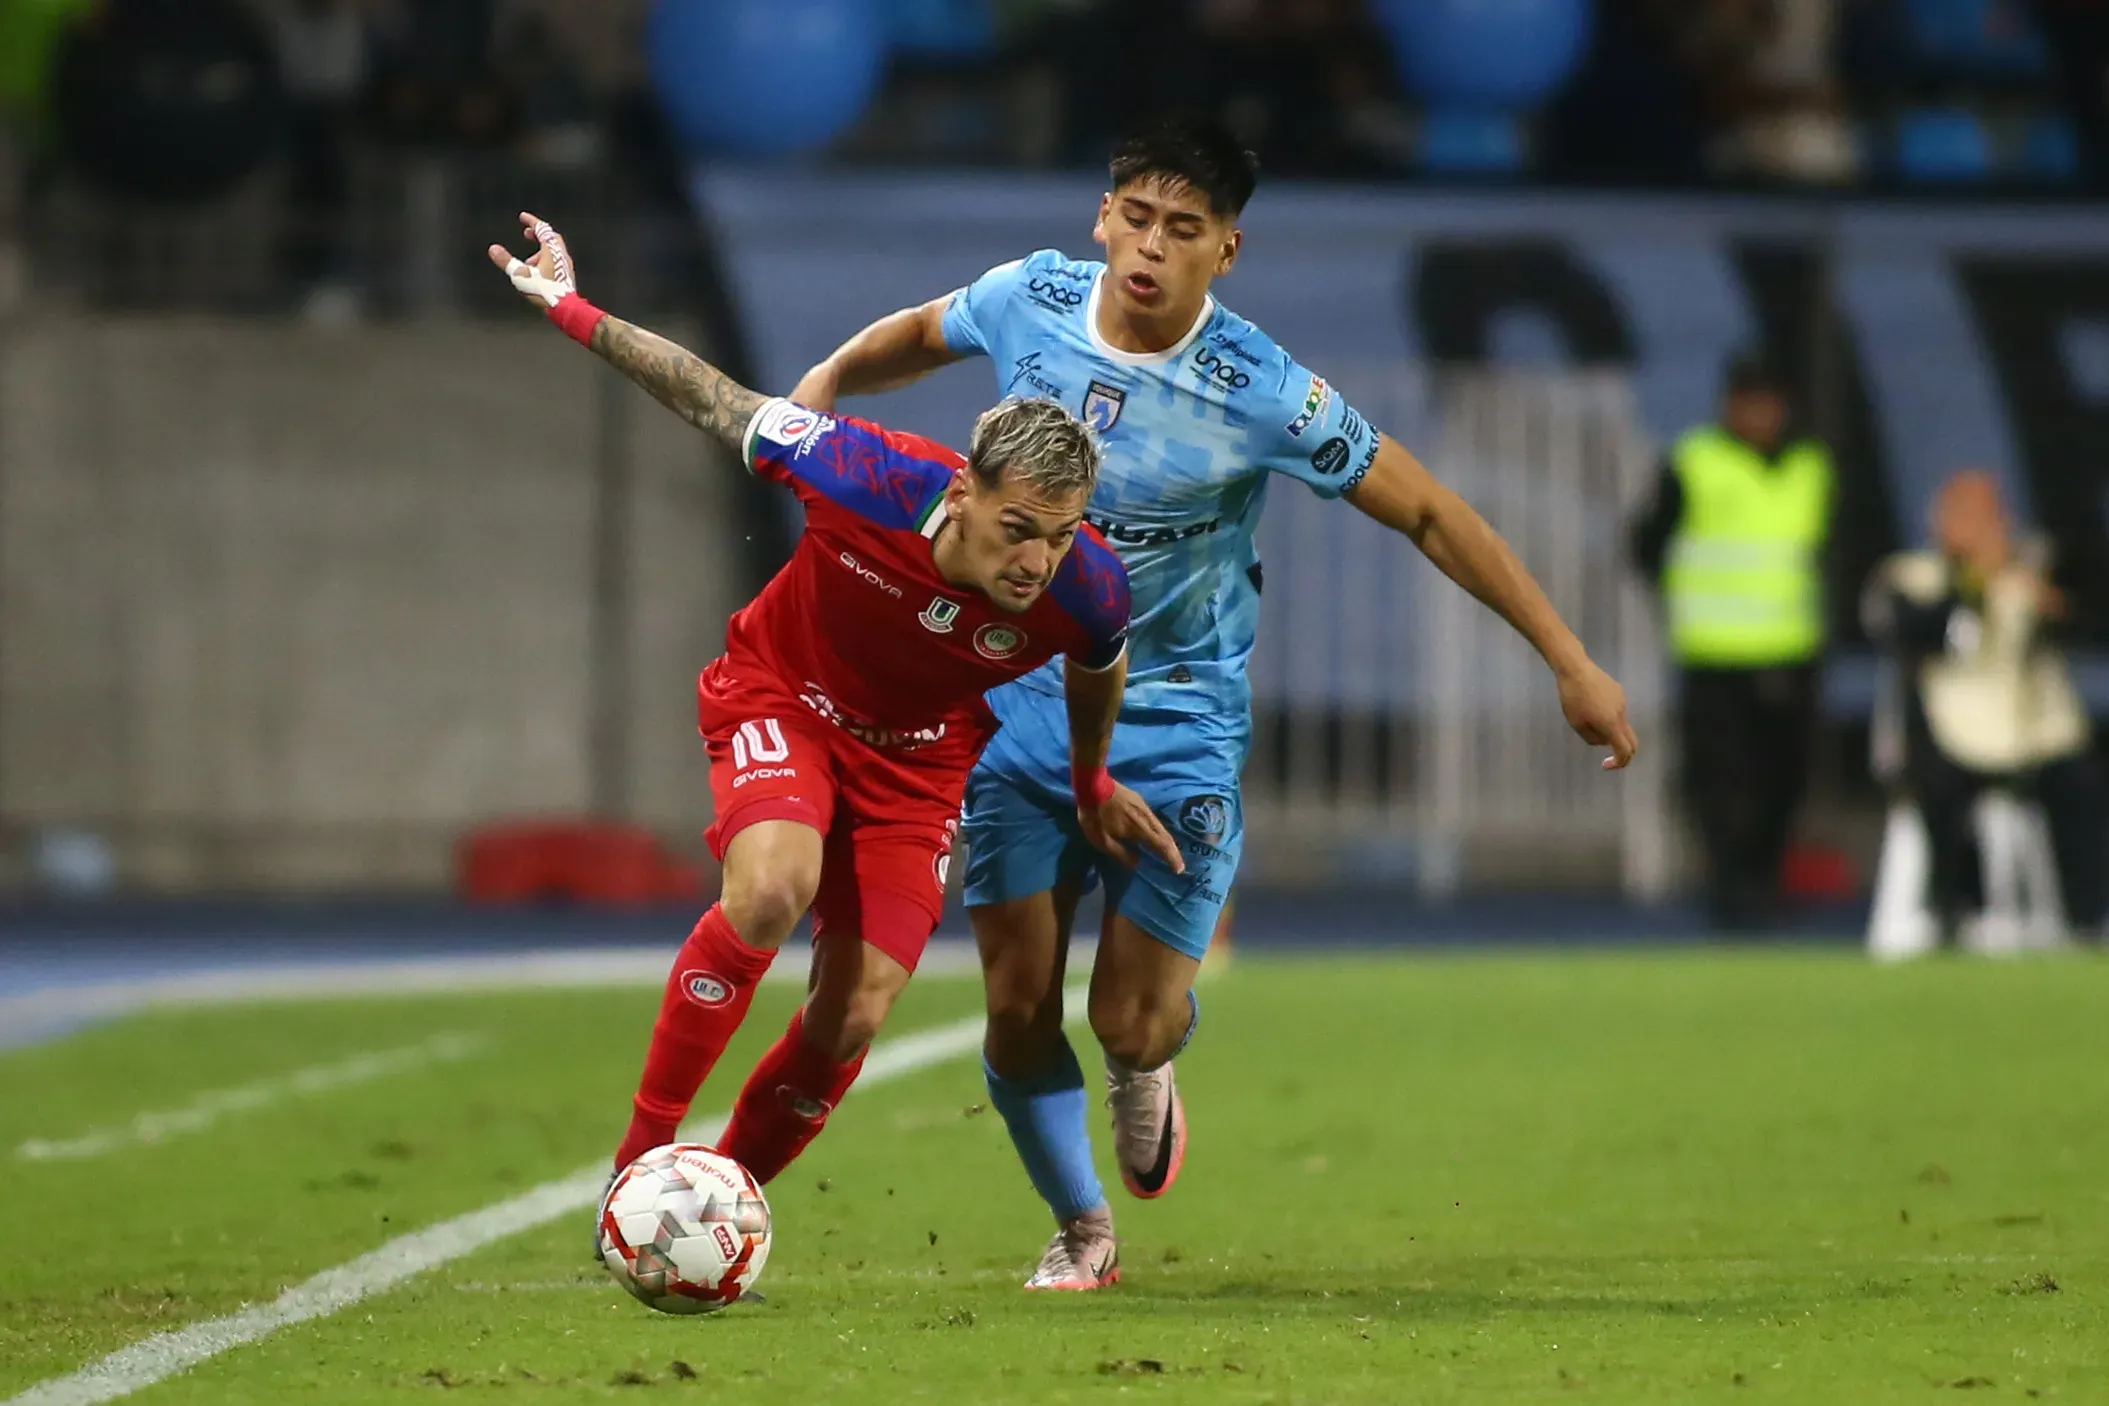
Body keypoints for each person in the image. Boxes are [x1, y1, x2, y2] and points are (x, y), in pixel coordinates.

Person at [792, 116, 1637, 1290]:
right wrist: (829, 380)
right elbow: (923, 332)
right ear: (1103, 217)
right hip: (1024, 704)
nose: (1151, 246)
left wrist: (1568, 659)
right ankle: (1081, 1225)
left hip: (1179, 721)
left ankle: (1149, 1063)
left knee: (1128, 1019)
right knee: (1017, 1003)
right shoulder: (1032, 296)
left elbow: (1430, 510)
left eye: (1183, 229)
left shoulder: (1262, 390)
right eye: (1136, 218)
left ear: (1226, 249)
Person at [485, 213, 1184, 1199]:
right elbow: (708, 395)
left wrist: (1090, 778)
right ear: (964, 492)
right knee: (773, 887)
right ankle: (639, 1162)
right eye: (1019, 528)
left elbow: (1100, 664)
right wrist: (568, 305)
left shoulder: (1088, 588)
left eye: (1060, 536)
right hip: (786, 697)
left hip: (919, 764)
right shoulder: (862, 475)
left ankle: (711, 1208)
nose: (1037, 560)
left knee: (853, 1014)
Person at [1629, 349, 1833, 932]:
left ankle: (1764, 877)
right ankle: (1729, 883)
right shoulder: (1695, 461)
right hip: (1712, 650)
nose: (1761, 415)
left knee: (1784, 776)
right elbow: (1645, 543)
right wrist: (1679, 599)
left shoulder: (1811, 466)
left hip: (1790, 645)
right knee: (1716, 777)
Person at [1864, 470, 2106, 943]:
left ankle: (2086, 918)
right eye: (1968, 515)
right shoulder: (1911, 574)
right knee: (1939, 793)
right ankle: (1949, 911)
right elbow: (1924, 633)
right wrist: (1974, 582)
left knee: (2079, 783)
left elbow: (2082, 620)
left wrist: (2049, 601)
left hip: (2027, 733)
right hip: (1947, 734)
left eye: (1991, 514)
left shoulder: (2034, 572)